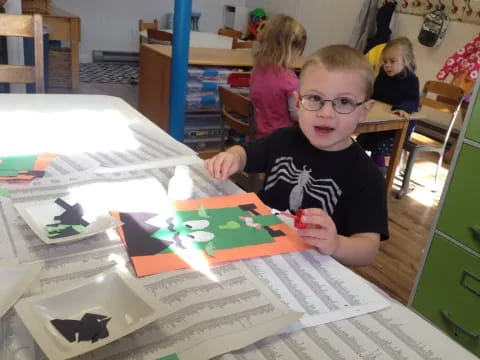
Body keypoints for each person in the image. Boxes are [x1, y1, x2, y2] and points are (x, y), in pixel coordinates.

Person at [205, 45, 389, 266]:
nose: (326, 113)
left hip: (308, 267)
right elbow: (245, 153)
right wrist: (233, 157)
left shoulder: (367, 176)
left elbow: (368, 249)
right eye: (314, 98)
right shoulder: (283, 139)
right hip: (256, 247)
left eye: (344, 102)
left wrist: (337, 244)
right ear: (298, 102)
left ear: (364, 111)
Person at [356, 37, 420, 173]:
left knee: (377, 144)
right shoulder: (383, 75)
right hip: (380, 119)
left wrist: (402, 108)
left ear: (406, 61)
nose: (387, 65)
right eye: (385, 61)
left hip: (396, 128)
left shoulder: (411, 80)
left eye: (392, 61)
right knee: (361, 140)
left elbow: (413, 100)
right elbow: (375, 94)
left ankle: (378, 172)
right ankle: (360, 168)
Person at [249, 14, 307, 138]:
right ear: (289, 49)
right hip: (280, 141)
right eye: (298, 51)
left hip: (255, 138)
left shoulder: (257, 70)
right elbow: (296, 115)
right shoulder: (289, 79)